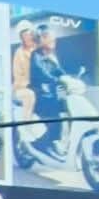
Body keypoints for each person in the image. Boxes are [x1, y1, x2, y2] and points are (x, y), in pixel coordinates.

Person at [29, 24, 67, 157]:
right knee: (54, 117)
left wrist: (68, 79)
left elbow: (60, 72)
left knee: (64, 111)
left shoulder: (51, 58)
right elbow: (40, 72)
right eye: (50, 37)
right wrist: (55, 79)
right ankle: (43, 144)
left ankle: (55, 142)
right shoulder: (35, 56)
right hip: (39, 97)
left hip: (51, 96)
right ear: (42, 39)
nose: (54, 40)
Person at [12, 20, 38, 120]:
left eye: (29, 34)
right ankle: (27, 123)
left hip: (41, 86)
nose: (28, 37)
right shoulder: (19, 53)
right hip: (23, 88)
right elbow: (18, 76)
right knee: (29, 95)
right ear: (21, 37)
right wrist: (28, 84)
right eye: (24, 35)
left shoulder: (39, 50)